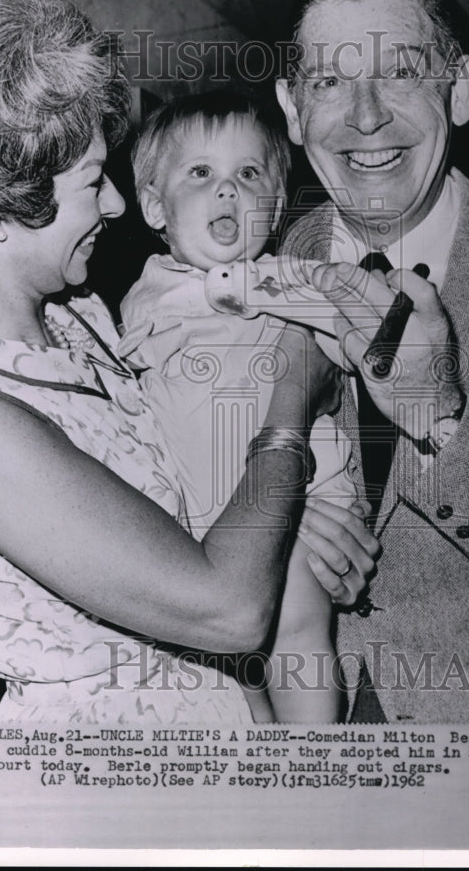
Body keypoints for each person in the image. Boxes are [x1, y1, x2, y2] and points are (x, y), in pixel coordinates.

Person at [0, 0, 376, 725]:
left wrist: (290, 520)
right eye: (94, 182)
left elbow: (189, 482)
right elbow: (226, 609)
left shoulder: (77, 317)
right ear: (4, 200)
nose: (113, 205)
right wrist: (292, 405)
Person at [275, 0, 469, 723]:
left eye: (401, 73)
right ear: (290, 108)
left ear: (462, 87)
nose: (366, 115)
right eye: (329, 82)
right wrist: (269, 519)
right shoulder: (248, 280)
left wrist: (442, 416)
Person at [118, 91, 375, 722]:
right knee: (231, 670)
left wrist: (343, 323)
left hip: (295, 501)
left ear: (278, 205)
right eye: (200, 173)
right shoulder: (146, 295)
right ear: (155, 205)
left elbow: (355, 330)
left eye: (249, 174)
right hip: (199, 519)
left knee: (296, 634)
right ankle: (264, 763)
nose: (227, 190)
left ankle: (316, 771)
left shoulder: (290, 277)